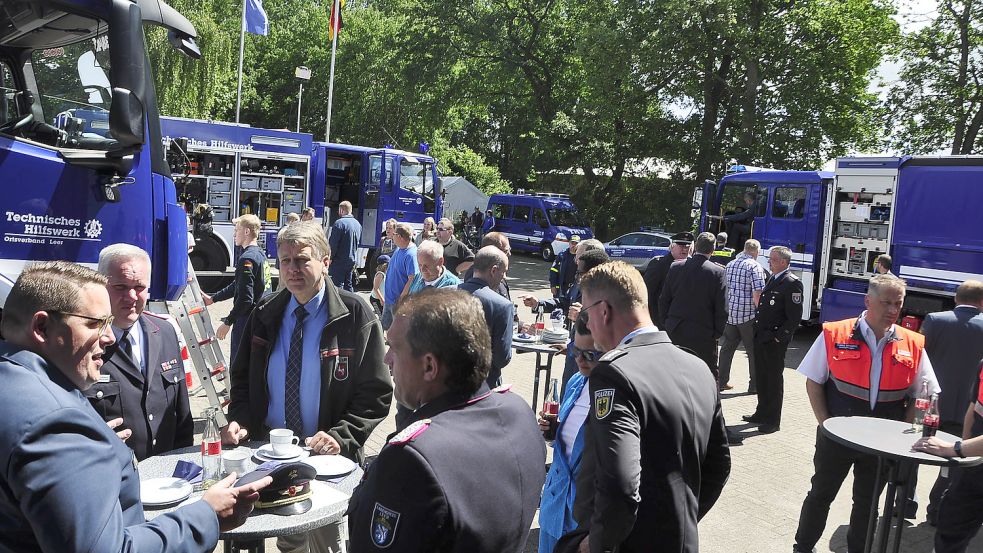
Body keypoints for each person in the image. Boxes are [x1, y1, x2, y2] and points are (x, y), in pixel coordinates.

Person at [0, 261, 270, 553]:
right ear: (42, 327)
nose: (109, 336)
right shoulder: (57, 425)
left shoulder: (17, 381)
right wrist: (206, 516)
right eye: (95, 323)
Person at [223, 221, 393, 553]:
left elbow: (375, 391)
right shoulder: (266, 311)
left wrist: (342, 435)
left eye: (302, 260)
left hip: (327, 461)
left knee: (327, 544)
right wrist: (240, 421)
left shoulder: (355, 314)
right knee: (285, 541)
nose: (292, 269)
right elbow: (241, 378)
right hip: (270, 454)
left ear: (326, 262)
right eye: (285, 261)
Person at [346, 289, 546, 552]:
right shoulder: (518, 411)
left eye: (394, 347)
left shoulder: (411, 458)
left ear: (429, 366)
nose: (387, 359)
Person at [572, 261, 731, 553]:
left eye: (586, 313)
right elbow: (718, 466)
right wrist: (680, 520)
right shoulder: (698, 367)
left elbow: (620, 484)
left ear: (604, 311)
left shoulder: (613, 372)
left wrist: (595, 543)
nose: (590, 328)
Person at [791, 274, 939, 553]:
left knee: (868, 504)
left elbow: (926, 393)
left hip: (881, 445)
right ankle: (802, 548)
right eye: (886, 303)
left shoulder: (913, 342)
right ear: (868, 301)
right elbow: (813, 381)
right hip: (836, 438)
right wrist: (825, 425)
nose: (894, 310)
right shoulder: (835, 333)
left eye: (899, 303)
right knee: (820, 495)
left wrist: (902, 436)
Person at [85, 244, 193, 461]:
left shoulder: (165, 331)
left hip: (165, 477)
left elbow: (182, 415)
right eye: (120, 287)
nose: (131, 296)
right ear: (100, 284)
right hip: (113, 480)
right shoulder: (84, 341)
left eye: (140, 287)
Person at [917, 280, 983, 523]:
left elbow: (920, 360)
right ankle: (937, 509)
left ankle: (904, 504)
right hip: (969, 410)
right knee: (953, 461)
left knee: (915, 449)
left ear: (956, 298)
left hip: (931, 406)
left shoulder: (935, 320)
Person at [538, 315, 601, 553]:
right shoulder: (576, 382)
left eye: (590, 354)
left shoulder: (615, 393)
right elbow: (566, 447)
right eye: (575, 350)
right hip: (555, 505)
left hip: (585, 517)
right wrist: (552, 433)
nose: (580, 361)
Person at [912, 361, 983, 553]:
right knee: (951, 523)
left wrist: (955, 449)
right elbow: (974, 409)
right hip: (975, 467)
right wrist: (964, 459)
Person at [523, 248, 610, 393]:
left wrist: (583, 316)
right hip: (573, 358)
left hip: (592, 368)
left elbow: (606, 338)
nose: (577, 276)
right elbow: (565, 302)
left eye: (579, 272)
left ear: (593, 272)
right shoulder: (579, 285)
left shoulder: (609, 297)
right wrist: (539, 303)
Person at [742, 246, 803, 433]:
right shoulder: (773, 278)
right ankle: (761, 412)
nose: (769, 262)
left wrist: (779, 337)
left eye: (773, 260)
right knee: (762, 376)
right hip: (762, 336)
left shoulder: (792, 282)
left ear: (784, 262)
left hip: (774, 340)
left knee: (773, 379)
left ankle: (772, 420)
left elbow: (794, 317)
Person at [203, 213, 271, 363]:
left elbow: (246, 299)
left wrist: (228, 322)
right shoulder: (260, 254)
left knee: (240, 365)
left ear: (247, 232)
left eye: (237, 229)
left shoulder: (247, 259)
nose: (234, 234)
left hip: (247, 321)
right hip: (260, 318)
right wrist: (213, 299)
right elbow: (238, 285)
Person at [659, 231, 727, 379]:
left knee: (674, 374)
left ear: (694, 247)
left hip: (676, 330)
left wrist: (667, 323)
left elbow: (664, 300)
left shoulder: (675, 267)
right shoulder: (718, 272)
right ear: (712, 250)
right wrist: (716, 333)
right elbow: (722, 308)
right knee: (705, 376)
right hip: (703, 334)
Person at [458, 246, 514, 387]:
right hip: (483, 387)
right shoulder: (502, 306)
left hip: (447, 385)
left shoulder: (445, 295)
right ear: (494, 270)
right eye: (504, 272)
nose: (504, 277)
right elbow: (502, 359)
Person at [718, 239, 767, 392]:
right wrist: (762, 314)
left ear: (745, 249)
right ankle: (754, 386)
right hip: (748, 316)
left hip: (731, 314)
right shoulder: (755, 266)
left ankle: (721, 381)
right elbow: (757, 293)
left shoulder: (731, 264)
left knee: (727, 348)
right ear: (756, 252)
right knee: (753, 351)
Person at [642, 231, 692, 327]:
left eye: (687, 246)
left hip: (682, 322)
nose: (685, 249)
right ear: (672, 246)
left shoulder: (690, 265)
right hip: (661, 320)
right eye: (681, 246)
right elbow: (648, 293)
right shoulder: (659, 264)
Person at [381, 223, 419, 330]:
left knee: (398, 333)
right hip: (389, 299)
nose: (392, 236)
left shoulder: (411, 254)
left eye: (394, 234)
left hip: (398, 302)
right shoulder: (399, 249)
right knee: (385, 329)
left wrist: (402, 297)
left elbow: (412, 279)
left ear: (400, 237)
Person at [461, 231, 513, 300]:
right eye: (506, 251)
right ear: (493, 250)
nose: (509, 254)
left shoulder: (500, 270)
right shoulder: (476, 273)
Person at [327, 200, 362, 292]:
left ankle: (338, 305)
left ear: (341, 210)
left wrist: (329, 258)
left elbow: (333, 243)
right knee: (348, 285)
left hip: (339, 260)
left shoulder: (339, 223)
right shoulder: (357, 224)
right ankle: (350, 305)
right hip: (351, 260)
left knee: (337, 287)